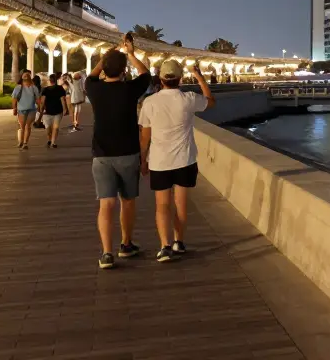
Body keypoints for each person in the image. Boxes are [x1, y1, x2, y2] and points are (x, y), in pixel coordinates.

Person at [85, 35, 151, 270]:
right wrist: (130, 53)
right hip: (128, 153)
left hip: (101, 155)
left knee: (106, 205)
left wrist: (110, 55)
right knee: (128, 201)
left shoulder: (94, 89)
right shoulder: (130, 90)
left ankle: (106, 253)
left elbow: (91, 75)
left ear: (104, 69)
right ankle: (126, 244)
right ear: (124, 70)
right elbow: (146, 75)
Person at [140, 60, 215, 262]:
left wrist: (142, 159)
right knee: (181, 203)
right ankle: (179, 242)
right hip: (185, 159)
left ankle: (165, 246)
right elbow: (210, 101)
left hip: (159, 161)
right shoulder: (188, 99)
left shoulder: (150, 102)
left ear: (161, 79)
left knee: (162, 205)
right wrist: (199, 77)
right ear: (180, 78)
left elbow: (145, 135)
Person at [38, 71, 70, 148]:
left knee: (53, 128)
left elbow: (62, 99)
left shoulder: (58, 88)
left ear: (50, 80)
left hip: (54, 112)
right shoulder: (46, 89)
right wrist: (65, 109)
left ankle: (53, 142)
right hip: (51, 111)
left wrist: (41, 110)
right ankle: (51, 140)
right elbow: (63, 100)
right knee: (51, 128)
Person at [11, 71, 40, 149]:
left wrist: (40, 107)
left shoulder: (34, 88)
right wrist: (14, 108)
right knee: (22, 126)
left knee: (28, 126)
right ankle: (20, 141)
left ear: (30, 77)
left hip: (32, 109)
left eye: (27, 75)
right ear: (22, 77)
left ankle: (25, 143)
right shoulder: (18, 87)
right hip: (21, 110)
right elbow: (14, 99)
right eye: (24, 75)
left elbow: (37, 99)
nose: (26, 76)